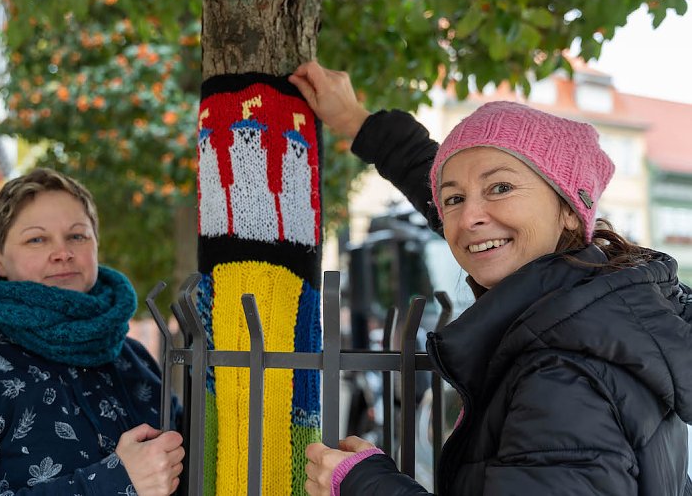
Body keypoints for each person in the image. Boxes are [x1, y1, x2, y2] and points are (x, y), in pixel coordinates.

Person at [289, 61, 692, 496]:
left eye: (500, 188)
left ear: (570, 209)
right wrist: (357, 121)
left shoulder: (561, 373)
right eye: (454, 200)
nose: (469, 218)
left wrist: (364, 485)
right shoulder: (597, 310)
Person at [0, 168, 184, 495]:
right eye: (36, 239)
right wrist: (113, 482)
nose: (62, 252)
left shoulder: (133, 359)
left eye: (77, 235)